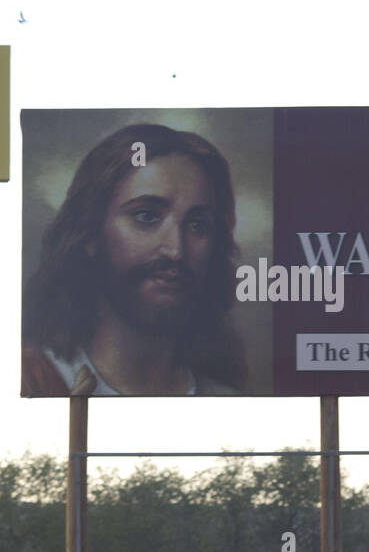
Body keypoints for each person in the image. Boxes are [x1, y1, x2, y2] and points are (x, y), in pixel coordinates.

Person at [22, 123, 246, 395]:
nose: (176, 250)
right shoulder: (35, 379)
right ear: (91, 233)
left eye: (198, 225)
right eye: (146, 216)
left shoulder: (224, 401)